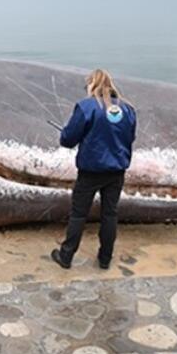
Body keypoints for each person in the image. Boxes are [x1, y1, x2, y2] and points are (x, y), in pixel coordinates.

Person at [50, 69, 137, 270]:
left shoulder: (86, 107)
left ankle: (66, 256)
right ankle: (105, 259)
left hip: (90, 172)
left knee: (79, 214)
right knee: (110, 214)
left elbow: (67, 140)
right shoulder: (128, 109)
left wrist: (66, 135)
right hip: (116, 172)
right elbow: (129, 138)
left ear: (92, 85)